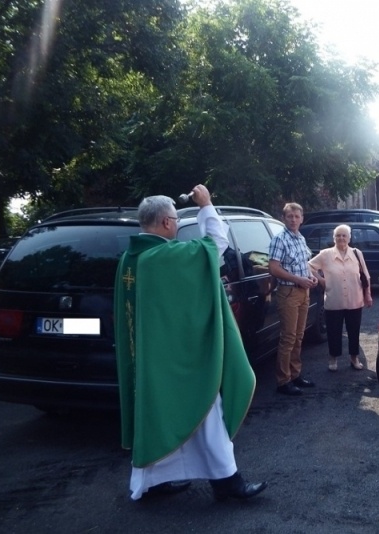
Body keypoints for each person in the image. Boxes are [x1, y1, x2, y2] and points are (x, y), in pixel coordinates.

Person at [114, 185, 267, 502]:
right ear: (168, 223)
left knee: (157, 417)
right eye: (173, 221)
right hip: (180, 361)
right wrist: (207, 205)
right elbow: (215, 245)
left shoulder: (129, 260)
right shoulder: (164, 257)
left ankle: (153, 482)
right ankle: (227, 483)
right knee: (208, 409)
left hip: (149, 362)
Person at [268, 202, 319, 396]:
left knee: (299, 336)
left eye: (297, 216)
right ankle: (283, 381)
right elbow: (273, 268)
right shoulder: (279, 239)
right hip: (288, 293)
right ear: (284, 218)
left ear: (302, 218)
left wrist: (311, 277)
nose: (294, 220)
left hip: (303, 292)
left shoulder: (300, 238)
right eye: (290, 216)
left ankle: (295, 375)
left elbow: (304, 263)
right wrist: (298, 279)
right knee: (288, 338)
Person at [309, 225, 373, 372]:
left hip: (354, 299)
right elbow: (309, 266)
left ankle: (354, 358)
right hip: (334, 299)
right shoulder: (326, 254)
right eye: (338, 236)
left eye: (344, 235)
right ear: (334, 238)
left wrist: (367, 294)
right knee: (334, 331)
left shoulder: (357, 253)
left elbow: (365, 275)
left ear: (349, 238)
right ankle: (333, 358)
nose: (341, 238)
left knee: (354, 330)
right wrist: (320, 279)